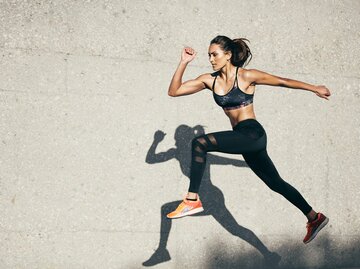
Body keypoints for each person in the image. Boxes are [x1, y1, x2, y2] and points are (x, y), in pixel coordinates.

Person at [166, 35, 330, 244]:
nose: (211, 59)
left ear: (228, 54)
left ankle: (191, 199)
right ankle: (314, 218)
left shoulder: (246, 76)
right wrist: (183, 63)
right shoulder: (209, 80)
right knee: (275, 183)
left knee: (200, 143)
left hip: (252, 133)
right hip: (242, 140)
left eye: (214, 54)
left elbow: (283, 81)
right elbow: (174, 91)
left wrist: (314, 88)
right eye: (209, 55)